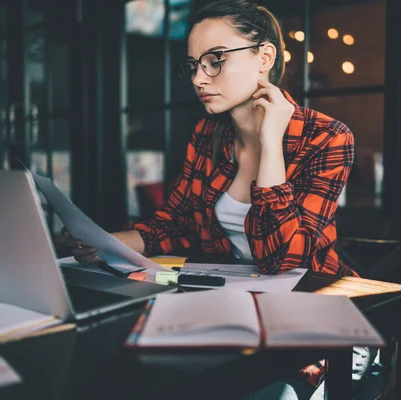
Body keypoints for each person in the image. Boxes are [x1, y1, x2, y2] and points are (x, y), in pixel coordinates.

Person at [62, 1, 368, 398]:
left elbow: (284, 260)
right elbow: (174, 223)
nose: (199, 78)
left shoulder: (327, 137)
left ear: (265, 57)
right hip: (235, 309)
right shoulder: (207, 134)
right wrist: (101, 242)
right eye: (193, 65)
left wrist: (270, 142)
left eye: (216, 60)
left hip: (316, 319)